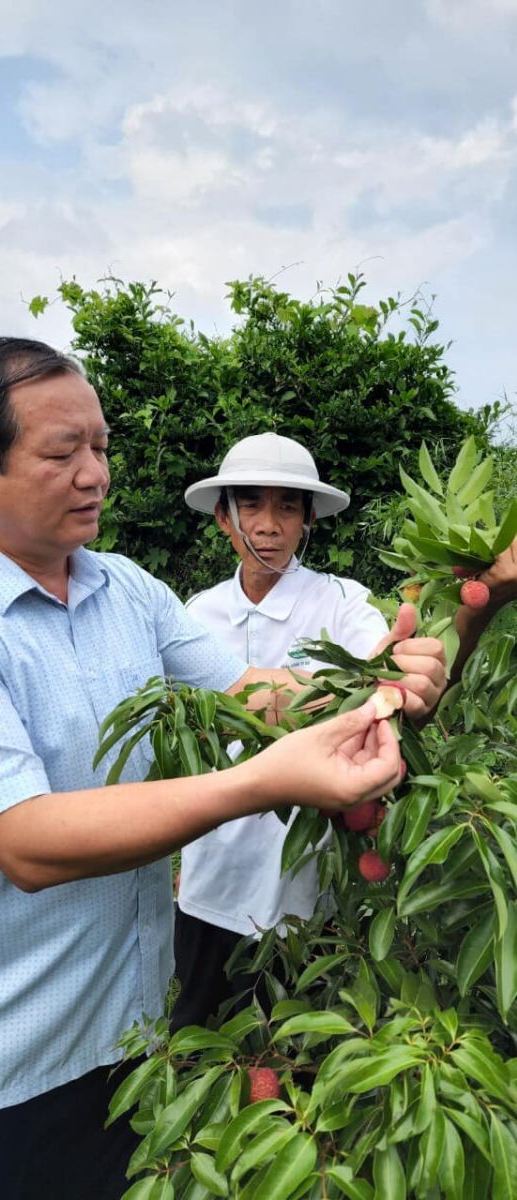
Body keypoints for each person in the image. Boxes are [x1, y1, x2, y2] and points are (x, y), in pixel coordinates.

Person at [0, 339, 405, 1200]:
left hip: (132, 1047)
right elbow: (26, 841)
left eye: (102, 448)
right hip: (0, 1073)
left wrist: (375, 682)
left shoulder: (125, 589)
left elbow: (246, 694)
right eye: (62, 454)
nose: (95, 475)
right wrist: (263, 781)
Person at [173, 432, 448, 1029]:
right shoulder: (196, 615)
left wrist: (405, 674)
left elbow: (383, 678)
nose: (268, 524)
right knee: (198, 1043)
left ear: (308, 523)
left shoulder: (340, 603)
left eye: (288, 506)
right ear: (224, 518)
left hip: (300, 890)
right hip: (208, 876)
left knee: (292, 1053)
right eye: (251, 504)